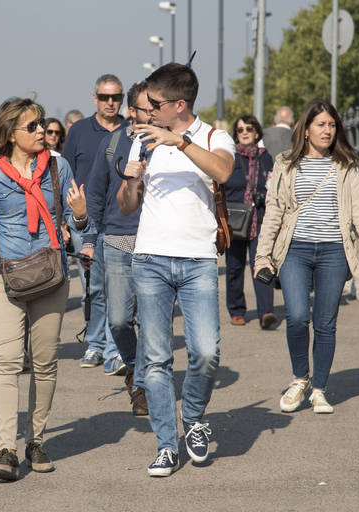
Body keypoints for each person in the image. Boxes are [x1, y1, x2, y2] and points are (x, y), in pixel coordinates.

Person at [0, 97, 95, 481]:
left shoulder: (58, 166)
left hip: (50, 274)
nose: (42, 130)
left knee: (44, 362)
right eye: (32, 126)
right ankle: (7, 449)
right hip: (3, 276)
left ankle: (36, 441)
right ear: (10, 134)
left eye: (42, 123)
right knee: (8, 361)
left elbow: (80, 228)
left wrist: (80, 216)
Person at [117, 63, 235, 477]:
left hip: (198, 259)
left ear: (178, 105)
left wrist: (179, 142)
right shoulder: (143, 142)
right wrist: (132, 180)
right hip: (149, 258)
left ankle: (196, 417)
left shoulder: (212, 136)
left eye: (154, 103)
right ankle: (166, 443)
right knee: (156, 359)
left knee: (205, 351)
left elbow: (222, 171)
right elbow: (126, 206)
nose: (145, 109)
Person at [254, 100, 359, 416]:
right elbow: (274, 212)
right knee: (297, 316)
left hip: (334, 251)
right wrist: (262, 255)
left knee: (325, 323)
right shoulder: (285, 163)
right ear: (306, 129)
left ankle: (319, 391)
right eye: (321, 125)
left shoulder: (346, 165)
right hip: (294, 249)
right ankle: (300, 378)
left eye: (332, 125)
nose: (327, 130)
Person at [85, 80, 151, 416]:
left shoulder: (170, 145)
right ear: (131, 110)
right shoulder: (114, 143)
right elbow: (95, 194)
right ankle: (132, 367)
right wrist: (88, 241)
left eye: (155, 107)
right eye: (142, 108)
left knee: (153, 324)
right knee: (120, 321)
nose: (148, 114)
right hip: (118, 241)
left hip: (159, 244)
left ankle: (142, 386)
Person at [62, 74, 128, 372]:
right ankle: (95, 344)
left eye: (116, 97)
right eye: (104, 97)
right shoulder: (78, 131)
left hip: (121, 221)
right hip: (84, 222)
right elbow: (63, 176)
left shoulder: (132, 130)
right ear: (95, 98)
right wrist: (64, 221)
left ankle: (116, 348)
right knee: (93, 286)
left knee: (121, 290)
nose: (110, 102)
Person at [226, 114, 277, 329]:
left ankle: (266, 312)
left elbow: (274, 186)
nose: (245, 132)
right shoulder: (229, 157)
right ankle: (237, 311)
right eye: (240, 129)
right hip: (235, 220)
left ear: (256, 132)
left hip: (261, 220)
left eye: (249, 128)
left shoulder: (266, 158)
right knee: (234, 267)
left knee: (263, 265)